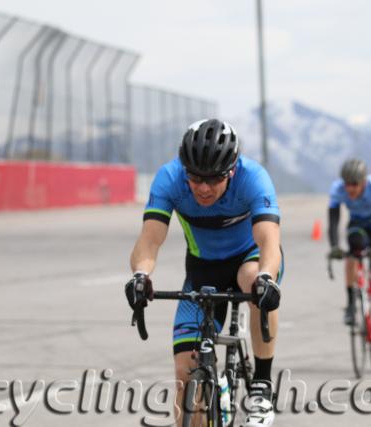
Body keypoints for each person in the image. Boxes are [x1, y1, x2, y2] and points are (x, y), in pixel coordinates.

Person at [125, 119, 282, 427]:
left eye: (214, 178)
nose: (204, 187)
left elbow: (268, 241)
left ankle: (262, 385)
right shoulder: (170, 178)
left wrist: (267, 278)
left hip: (249, 260)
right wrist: (140, 276)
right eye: (196, 177)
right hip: (203, 270)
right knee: (185, 375)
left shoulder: (254, 178)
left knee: (252, 281)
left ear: (232, 171)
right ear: (185, 169)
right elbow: (149, 239)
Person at [327, 158, 371, 358]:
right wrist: (334, 246)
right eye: (347, 184)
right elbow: (333, 220)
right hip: (359, 226)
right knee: (353, 251)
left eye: (355, 184)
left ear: (364, 181)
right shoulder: (338, 189)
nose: (350, 189)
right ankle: (351, 303)